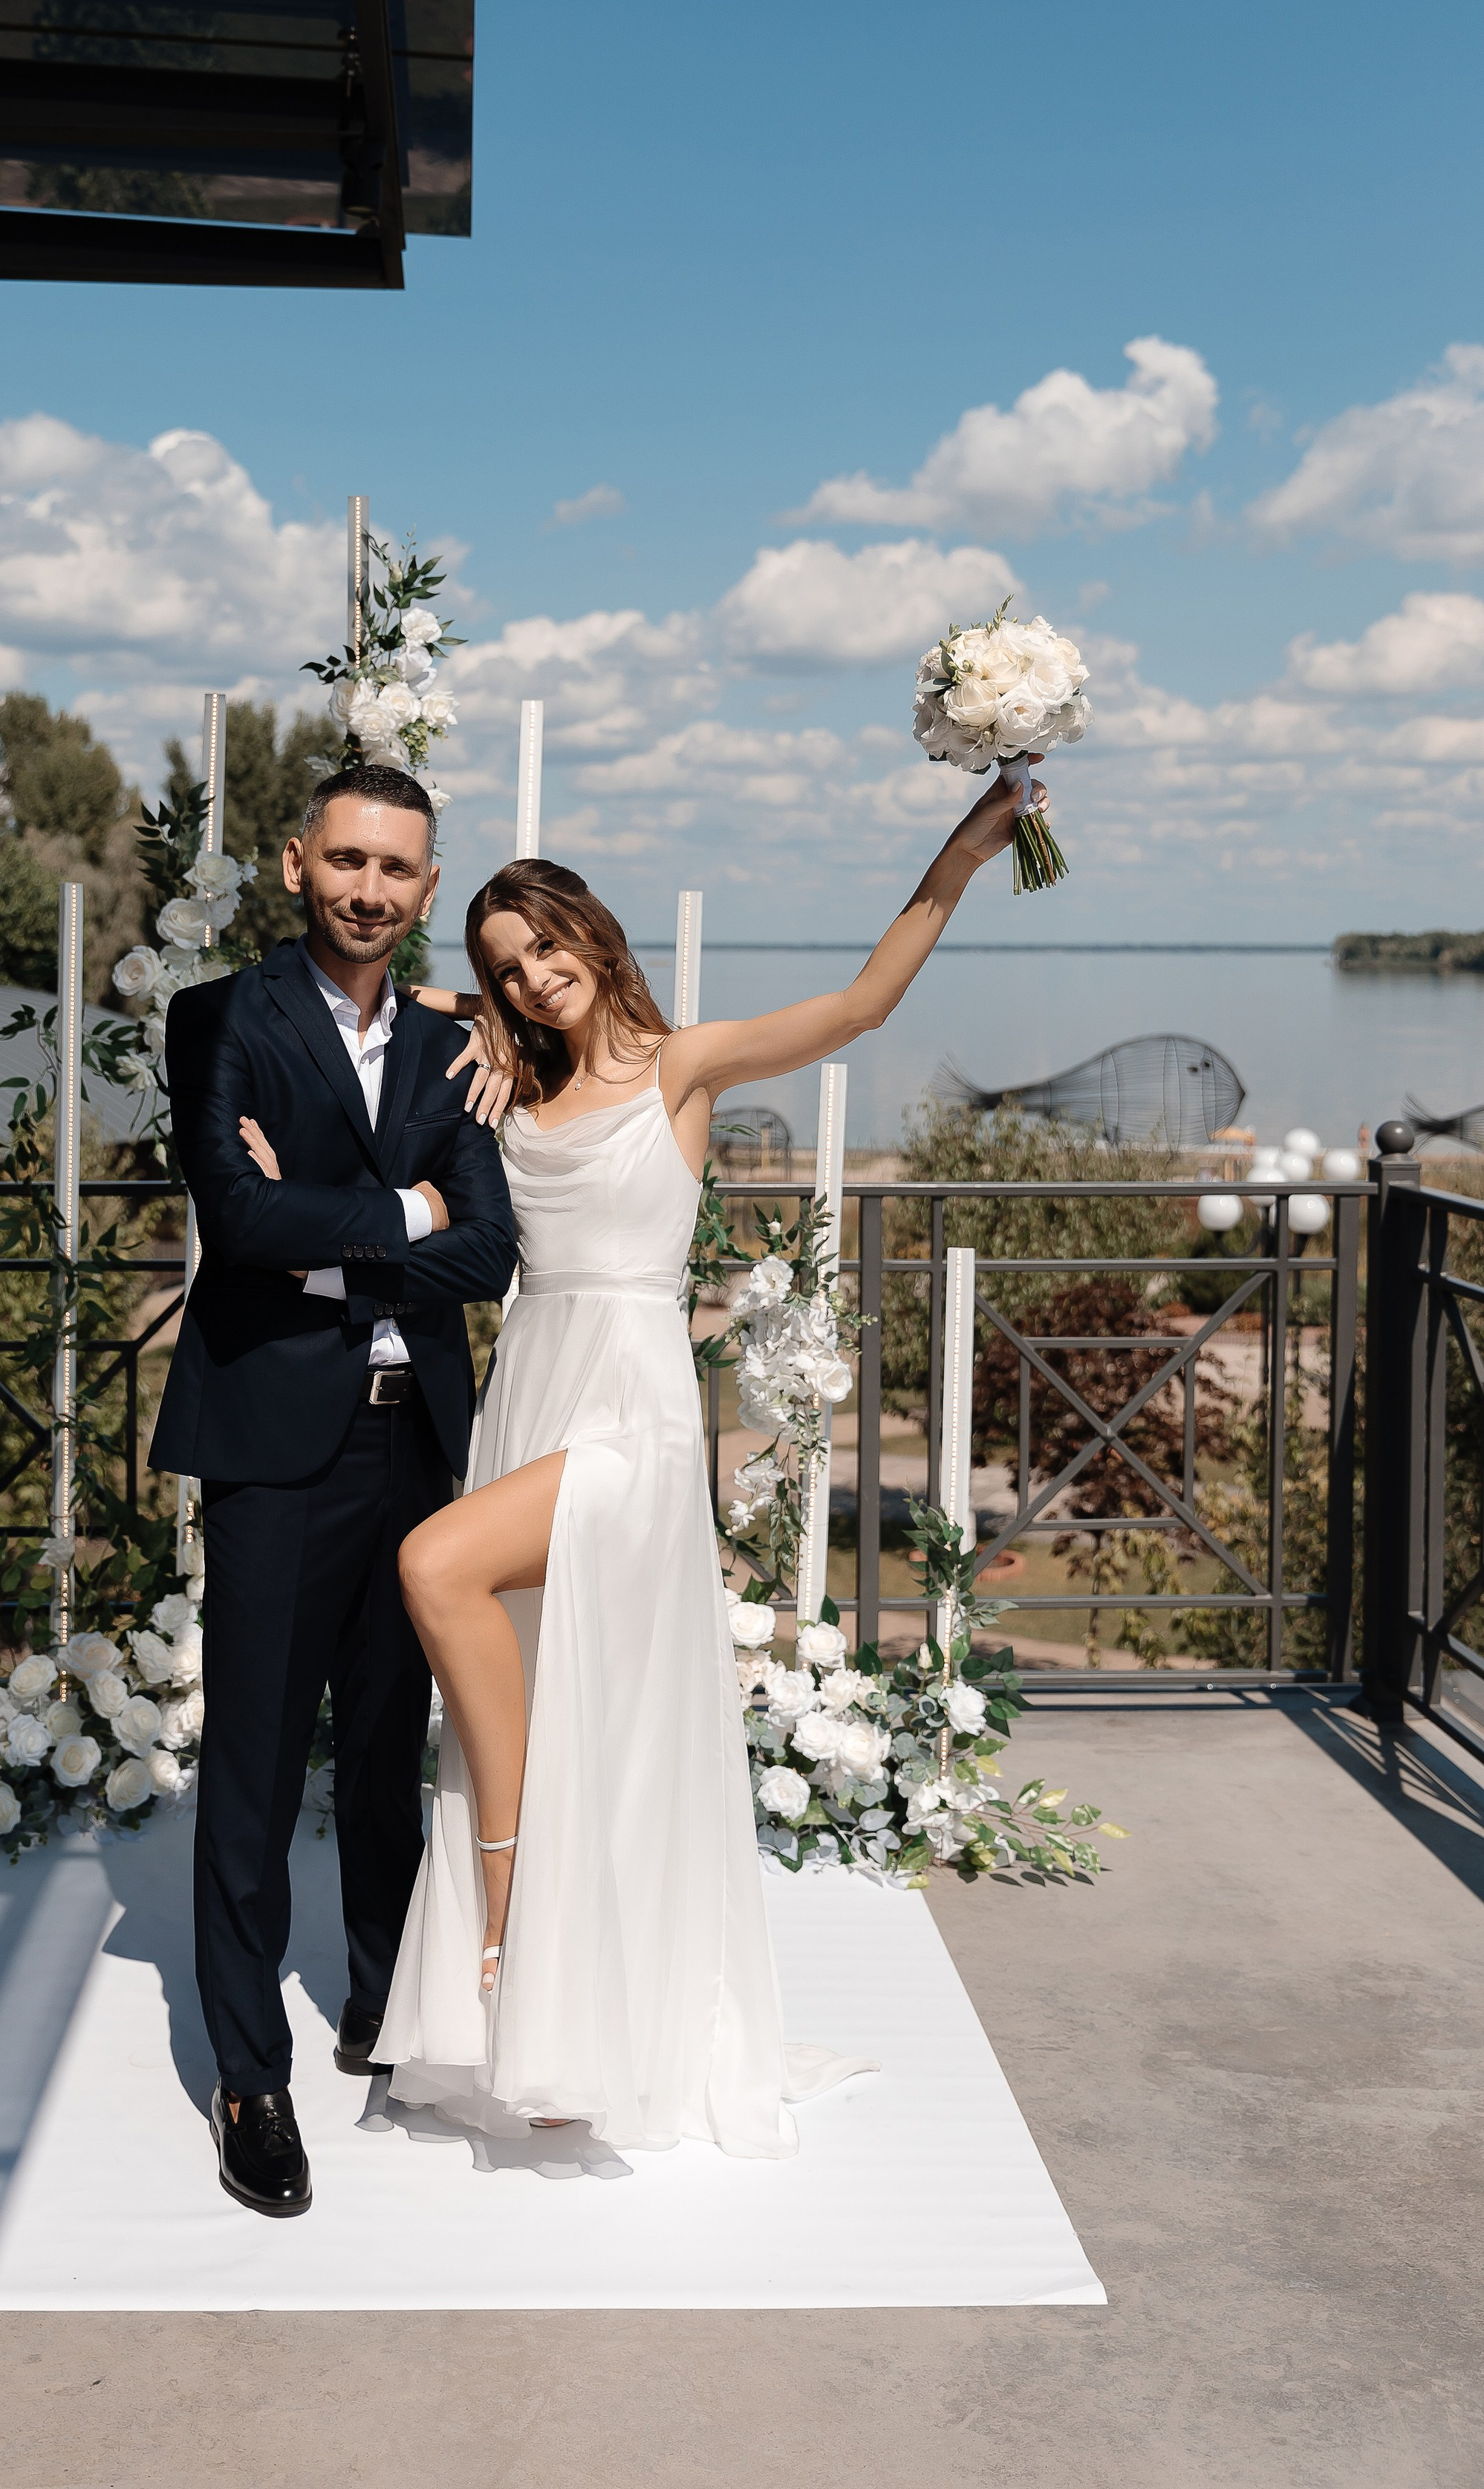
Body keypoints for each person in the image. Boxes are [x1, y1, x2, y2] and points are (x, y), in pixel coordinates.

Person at [365, 762, 1039, 2155]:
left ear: (593, 934)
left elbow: (859, 1006)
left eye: (546, 947)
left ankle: (508, 1918)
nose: (533, 978)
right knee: (566, 1689)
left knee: (435, 1567)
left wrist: (967, 849)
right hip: (530, 1386)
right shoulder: (505, 1069)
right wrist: (448, 1020)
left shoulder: (683, 1067)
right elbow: (362, 1001)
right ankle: (562, 2032)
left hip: (629, 1408)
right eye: (506, 966)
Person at [150, 762, 516, 2219]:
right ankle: (251, 2078)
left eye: (397, 869)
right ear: (298, 863)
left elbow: (487, 1250)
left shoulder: (455, 1049)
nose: (370, 889)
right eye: (348, 860)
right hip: (270, 1449)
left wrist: (336, 1227)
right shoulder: (219, 1019)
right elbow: (236, 1221)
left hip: (414, 1447)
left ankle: (381, 2005)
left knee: (382, 1751)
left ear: (426, 889)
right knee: (249, 1770)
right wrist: (408, 1210)